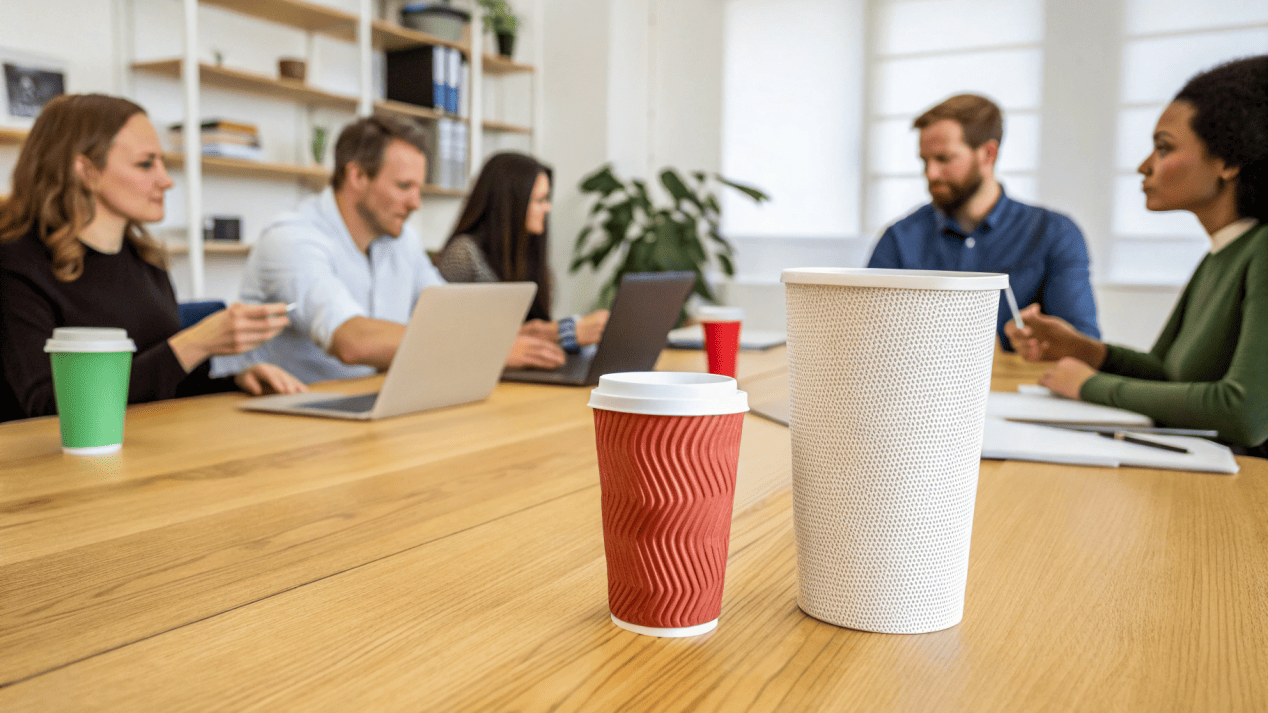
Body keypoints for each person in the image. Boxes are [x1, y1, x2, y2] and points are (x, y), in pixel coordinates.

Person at [1006, 55, 1268, 456]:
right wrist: (1082, 349)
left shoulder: (1262, 248)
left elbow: (1244, 413)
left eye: (1164, 148)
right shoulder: (1221, 254)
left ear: (1229, 160)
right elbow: (1167, 374)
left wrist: (1089, 384)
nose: (1144, 166)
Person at [0, 94, 305, 423]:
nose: (167, 180)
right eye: (146, 164)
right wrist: (194, 344)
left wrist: (235, 381)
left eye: (161, 161)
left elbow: (162, 384)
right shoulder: (15, 263)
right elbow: (46, 404)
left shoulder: (146, 260)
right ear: (86, 171)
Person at [215, 116, 565, 384]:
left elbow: (451, 319)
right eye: (403, 186)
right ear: (356, 177)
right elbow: (351, 341)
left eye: (418, 188)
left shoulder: (402, 241)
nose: (416, 203)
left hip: (370, 402)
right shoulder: (292, 239)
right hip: (288, 420)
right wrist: (490, 349)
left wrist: (544, 335)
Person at [868, 94, 1100, 346]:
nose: (930, 173)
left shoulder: (1054, 234)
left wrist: (1042, 343)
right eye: (925, 161)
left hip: (1017, 383)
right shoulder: (899, 238)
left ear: (988, 154)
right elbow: (863, 333)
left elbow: (1082, 347)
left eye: (944, 159)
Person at [435, 152, 608, 352]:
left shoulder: (530, 256)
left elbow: (530, 332)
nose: (548, 207)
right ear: (511, 202)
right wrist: (567, 331)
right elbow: (448, 335)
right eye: (540, 200)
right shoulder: (463, 255)